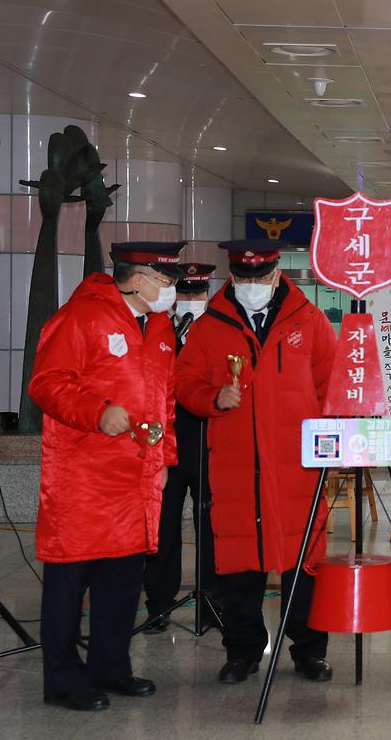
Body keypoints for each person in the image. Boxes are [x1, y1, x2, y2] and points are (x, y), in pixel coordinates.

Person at [30, 241, 185, 710]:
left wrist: (164, 464)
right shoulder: (81, 317)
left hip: (136, 477)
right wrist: (96, 412)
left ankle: (111, 667)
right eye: (164, 279)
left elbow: (167, 404)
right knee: (69, 581)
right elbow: (47, 382)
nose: (171, 289)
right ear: (136, 279)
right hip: (83, 476)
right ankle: (62, 680)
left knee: (121, 580)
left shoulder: (159, 328)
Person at [175, 240, 337, 685]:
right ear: (232, 277)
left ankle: (309, 651)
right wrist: (211, 398)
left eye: (259, 278)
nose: (251, 286)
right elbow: (184, 381)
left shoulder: (310, 321)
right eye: (243, 279)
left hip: (297, 468)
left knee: (303, 564)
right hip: (236, 468)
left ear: (276, 273)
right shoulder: (210, 326)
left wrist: (332, 448)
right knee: (240, 565)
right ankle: (243, 650)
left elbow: (330, 386)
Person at [142, 263, 221, 633]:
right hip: (168, 447)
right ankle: (159, 604)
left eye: (198, 293)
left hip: (210, 445)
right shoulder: (158, 328)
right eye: (186, 293)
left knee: (212, 530)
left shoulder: (218, 331)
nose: (192, 300)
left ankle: (212, 603)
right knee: (164, 528)